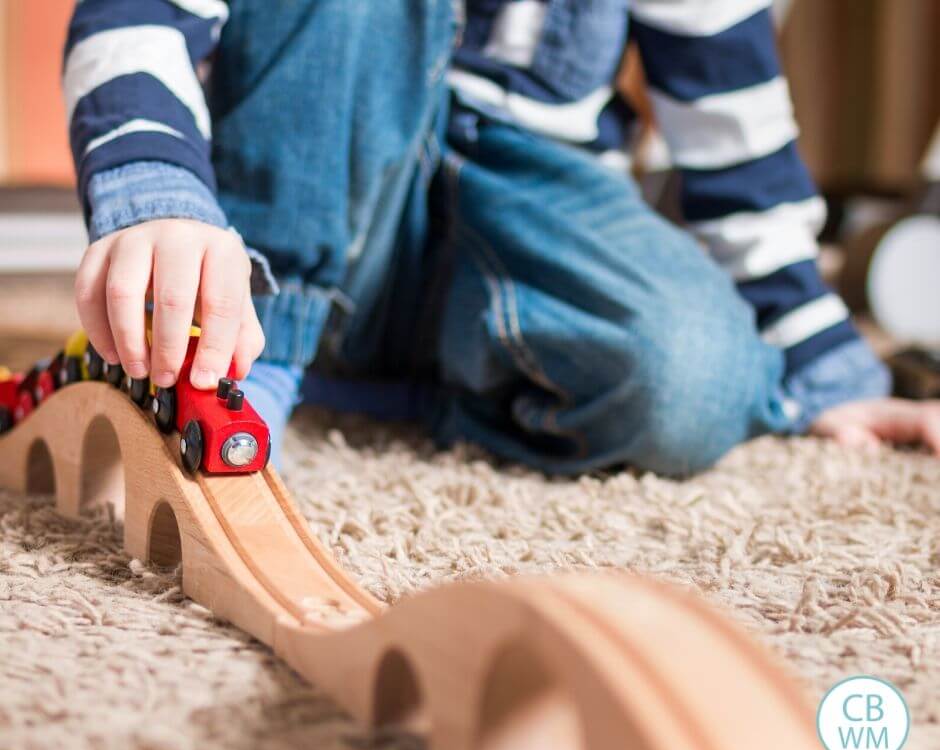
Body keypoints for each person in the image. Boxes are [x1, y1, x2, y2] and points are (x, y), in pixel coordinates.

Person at [64, 0, 940, 475]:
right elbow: (136, 18)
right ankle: (266, 351)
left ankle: (429, 387)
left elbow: (733, 129)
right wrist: (157, 196)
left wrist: (822, 359)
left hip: (525, 186)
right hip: (301, 198)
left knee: (697, 386)